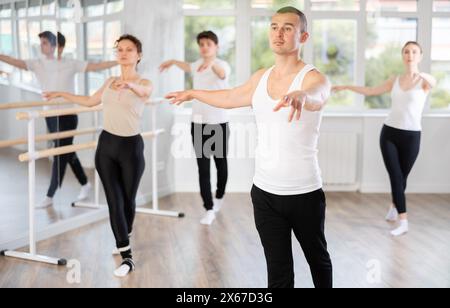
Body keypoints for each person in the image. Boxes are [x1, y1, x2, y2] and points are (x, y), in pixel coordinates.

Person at [166, 7, 333, 288]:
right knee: (278, 269)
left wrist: (301, 95)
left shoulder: (312, 78)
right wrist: (193, 92)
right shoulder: (261, 77)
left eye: (288, 28)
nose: (278, 33)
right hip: (264, 193)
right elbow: (230, 96)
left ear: (303, 36)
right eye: (274, 26)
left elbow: (319, 94)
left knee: (317, 258)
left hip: (304, 192)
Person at [44, 34, 153, 278]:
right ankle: (127, 257)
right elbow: (90, 101)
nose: (123, 53)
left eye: (129, 49)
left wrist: (130, 85)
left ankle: (124, 234)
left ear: (138, 55)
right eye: (119, 49)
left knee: (127, 201)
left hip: (131, 149)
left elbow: (145, 92)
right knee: (113, 201)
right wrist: (61, 94)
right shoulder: (110, 80)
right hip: (106, 147)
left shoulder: (144, 81)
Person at [0, 31, 119, 208]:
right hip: (49, 116)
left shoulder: (71, 63)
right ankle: (85, 184)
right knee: (66, 151)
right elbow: (14, 61)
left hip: (68, 115)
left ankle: (50, 195)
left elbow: (96, 66)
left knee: (60, 152)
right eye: (41, 43)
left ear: (58, 47)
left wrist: (120, 61)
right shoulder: (37, 63)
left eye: (45, 43)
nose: (41, 46)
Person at [333, 41, 436, 237]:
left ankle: (393, 206)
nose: (410, 55)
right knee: (396, 177)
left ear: (420, 56)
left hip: (412, 136)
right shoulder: (394, 80)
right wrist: (347, 86)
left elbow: (433, 82)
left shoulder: (424, 81)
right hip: (389, 134)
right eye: (406, 51)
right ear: (402, 55)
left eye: (414, 52)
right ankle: (403, 221)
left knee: (402, 178)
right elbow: (371, 91)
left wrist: (418, 72)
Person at [159, 31, 231, 225]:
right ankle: (208, 208)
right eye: (201, 44)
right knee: (203, 168)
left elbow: (222, 75)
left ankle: (220, 196)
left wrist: (211, 63)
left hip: (219, 123)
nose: (204, 47)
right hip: (198, 123)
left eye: (208, 44)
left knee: (221, 164)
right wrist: (173, 61)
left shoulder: (222, 65)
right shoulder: (197, 65)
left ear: (216, 46)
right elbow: (186, 66)